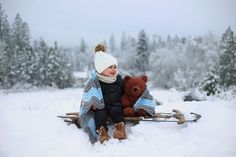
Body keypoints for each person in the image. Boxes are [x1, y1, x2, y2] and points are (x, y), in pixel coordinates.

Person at [79, 44, 126, 144]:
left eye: (115, 67)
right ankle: (102, 132)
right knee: (100, 115)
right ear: (101, 69)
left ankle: (120, 128)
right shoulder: (94, 82)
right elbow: (89, 95)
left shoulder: (118, 80)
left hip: (115, 104)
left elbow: (125, 91)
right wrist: (92, 104)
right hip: (101, 106)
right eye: (110, 67)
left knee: (117, 111)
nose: (114, 69)